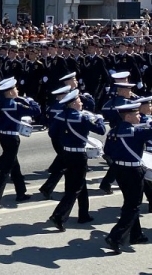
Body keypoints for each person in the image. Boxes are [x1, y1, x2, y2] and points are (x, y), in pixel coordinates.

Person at [47, 89, 106, 231]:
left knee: (78, 184)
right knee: (76, 187)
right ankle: (58, 215)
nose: (81, 103)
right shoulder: (83, 117)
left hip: (66, 153)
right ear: (73, 103)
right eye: (79, 101)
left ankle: (83, 214)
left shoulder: (60, 116)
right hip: (79, 155)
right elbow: (101, 130)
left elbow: (52, 133)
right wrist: (99, 119)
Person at [103, 102, 152, 253]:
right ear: (128, 116)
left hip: (119, 170)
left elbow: (107, 151)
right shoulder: (136, 132)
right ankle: (115, 237)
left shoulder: (113, 132)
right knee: (133, 206)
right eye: (137, 114)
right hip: (133, 171)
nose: (139, 116)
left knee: (129, 202)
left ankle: (136, 234)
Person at [0, 78, 40, 208]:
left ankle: (21, 192)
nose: (17, 90)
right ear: (9, 92)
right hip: (12, 138)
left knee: (15, 166)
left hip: (3, 136)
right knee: (6, 169)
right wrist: (29, 100)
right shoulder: (15, 104)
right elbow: (36, 111)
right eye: (15, 89)